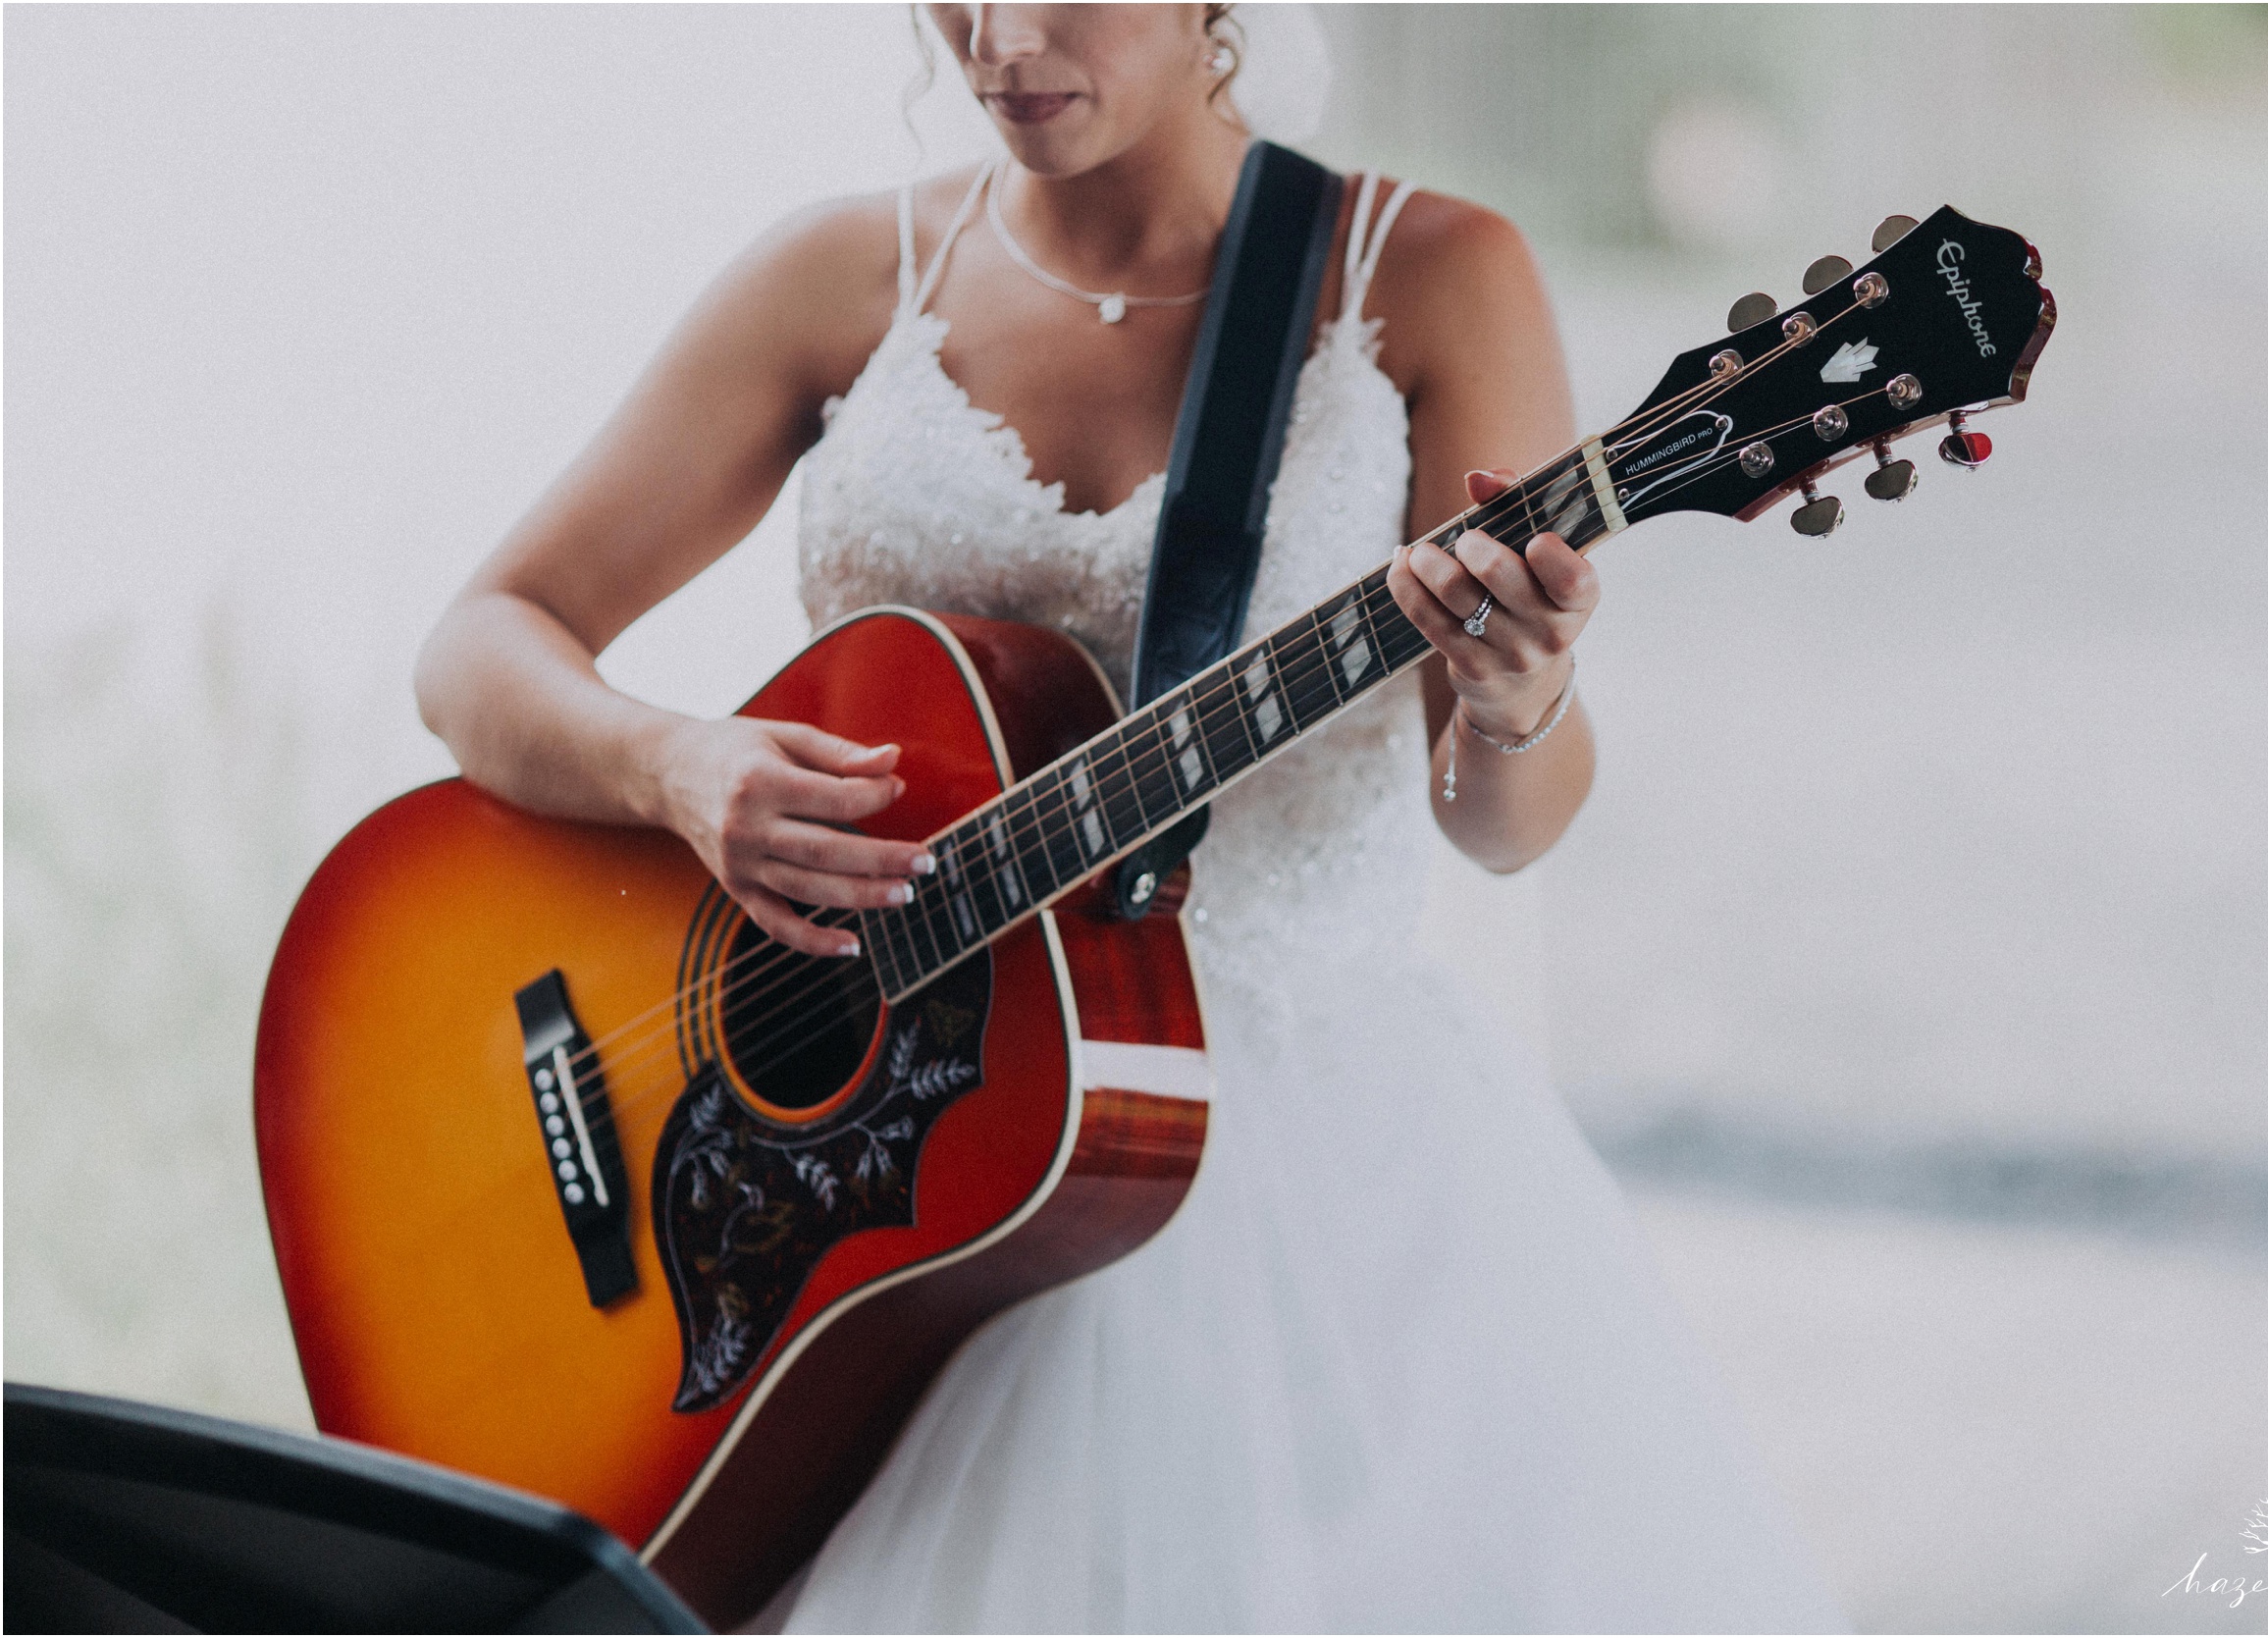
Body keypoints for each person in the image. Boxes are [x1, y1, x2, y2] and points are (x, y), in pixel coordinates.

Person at [416, 5, 1842, 1630]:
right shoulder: (839, 277)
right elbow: (481, 645)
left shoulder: (1433, 277)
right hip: (882, 1197)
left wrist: (1518, 696)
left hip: (1294, 1181)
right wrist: (672, 768)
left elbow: (1504, 824)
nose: (1003, 37)